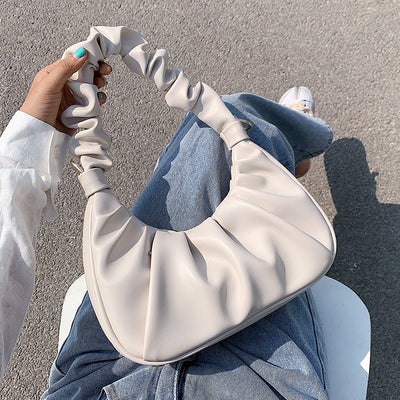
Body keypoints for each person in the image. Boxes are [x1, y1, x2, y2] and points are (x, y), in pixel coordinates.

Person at [0, 47, 333, 400]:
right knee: (238, 126)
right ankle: (292, 147)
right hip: (252, 387)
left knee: (221, 123)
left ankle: (283, 154)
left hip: (98, 380)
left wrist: (33, 138)